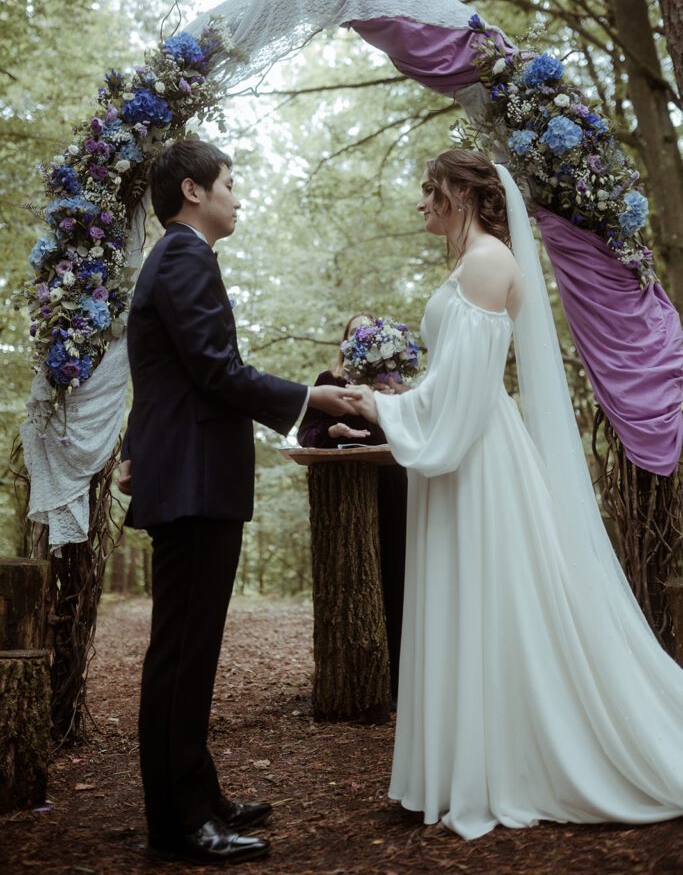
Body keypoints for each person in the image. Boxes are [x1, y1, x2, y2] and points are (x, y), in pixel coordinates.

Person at [353, 148, 683, 840]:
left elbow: (463, 390)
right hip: (465, 444)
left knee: (495, 597)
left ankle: (501, 766)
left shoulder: (487, 263)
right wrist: (394, 401)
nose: (421, 202)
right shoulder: (469, 262)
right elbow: (451, 379)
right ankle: (458, 766)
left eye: (429, 189)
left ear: (462, 195)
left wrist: (382, 409)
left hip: (478, 457)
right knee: (474, 599)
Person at [117, 139, 359, 865]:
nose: (238, 195)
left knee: (189, 650)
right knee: (183, 654)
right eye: (229, 182)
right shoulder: (185, 257)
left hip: (184, 470)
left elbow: (165, 371)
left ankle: (197, 793)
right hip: (192, 481)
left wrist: (136, 444)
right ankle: (180, 822)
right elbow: (215, 371)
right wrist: (308, 397)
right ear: (193, 190)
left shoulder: (175, 260)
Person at [297, 312, 407, 702]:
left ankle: (398, 681)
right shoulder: (330, 383)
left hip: (394, 482)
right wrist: (332, 430)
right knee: (356, 577)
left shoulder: (393, 384)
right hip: (348, 491)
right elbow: (306, 432)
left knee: (398, 575)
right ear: (345, 341)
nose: (363, 335)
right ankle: (349, 677)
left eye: (370, 329)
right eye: (355, 330)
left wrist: (398, 400)